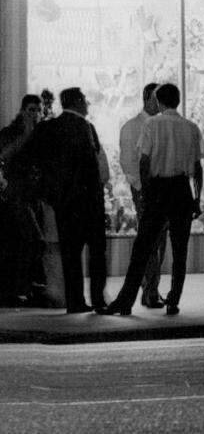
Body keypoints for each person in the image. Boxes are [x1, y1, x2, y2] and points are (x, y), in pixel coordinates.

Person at [99, 83, 204, 316]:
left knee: (142, 249)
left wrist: (147, 193)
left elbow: (144, 161)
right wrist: (196, 199)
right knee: (180, 250)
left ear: (158, 101)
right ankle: (174, 300)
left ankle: (125, 301)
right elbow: (197, 168)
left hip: (158, 190)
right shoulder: (191, 127)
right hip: (181, 190)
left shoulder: (151, 124)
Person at [25, 88, 108, 313]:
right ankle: (98, 300)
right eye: (86, 100)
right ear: (78, 102)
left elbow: (30, 157)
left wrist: (48, 192)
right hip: (90, 202)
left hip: (64, 204)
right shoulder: (86, 128)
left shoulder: (48, 128)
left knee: (70, 254)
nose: (88, 105)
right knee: (97, 252)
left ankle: (75, 301)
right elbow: (93, 167)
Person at [119, 82, 167, 308]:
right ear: (147, 99)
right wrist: (140, 189)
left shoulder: (165, 124)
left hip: (164, 189)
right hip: (144, 191)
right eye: (158, 98)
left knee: (160, 243)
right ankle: (150, 291)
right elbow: (128, 162)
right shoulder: (131, 127)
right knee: (150, 243)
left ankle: (152, 288)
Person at [0, 94, 48, 306]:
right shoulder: (10, 133)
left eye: (38, 110)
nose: (35, 114)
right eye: (31, 110)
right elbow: (4, 155)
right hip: (16, 194)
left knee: (24, 241)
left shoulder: (41, 134)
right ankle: (19, 287)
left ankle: (27, 286)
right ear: (21, 111)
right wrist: (27, 133)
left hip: (34, 195)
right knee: (31, 239)